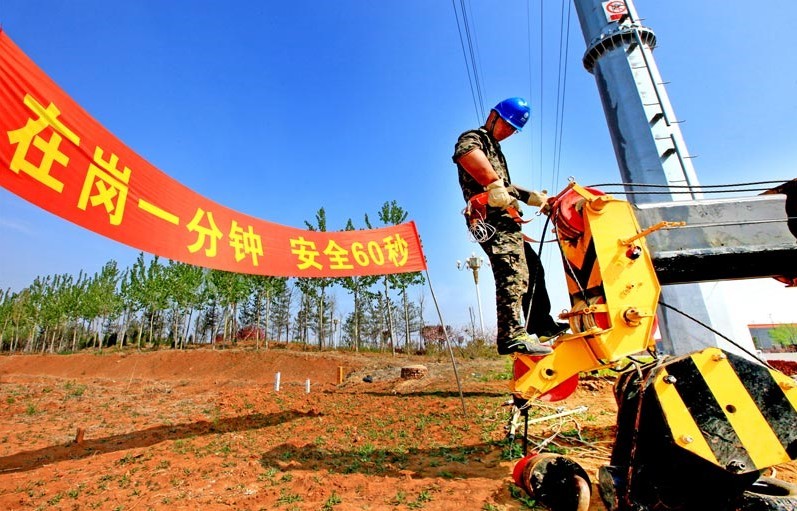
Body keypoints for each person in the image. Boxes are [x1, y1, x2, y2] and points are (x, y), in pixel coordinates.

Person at [452, 97, 565, 355]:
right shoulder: (474, 138)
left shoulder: (494, 148)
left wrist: (533, 198)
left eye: (514, 130)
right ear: (493, 117)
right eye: (507, 125)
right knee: (512, 270)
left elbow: (506, 187)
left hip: (506, 219)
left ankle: (540, 324)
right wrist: (493, 183)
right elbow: (466, 154)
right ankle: (511, 335)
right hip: (490, 220)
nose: (509, 132)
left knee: (532, 267)